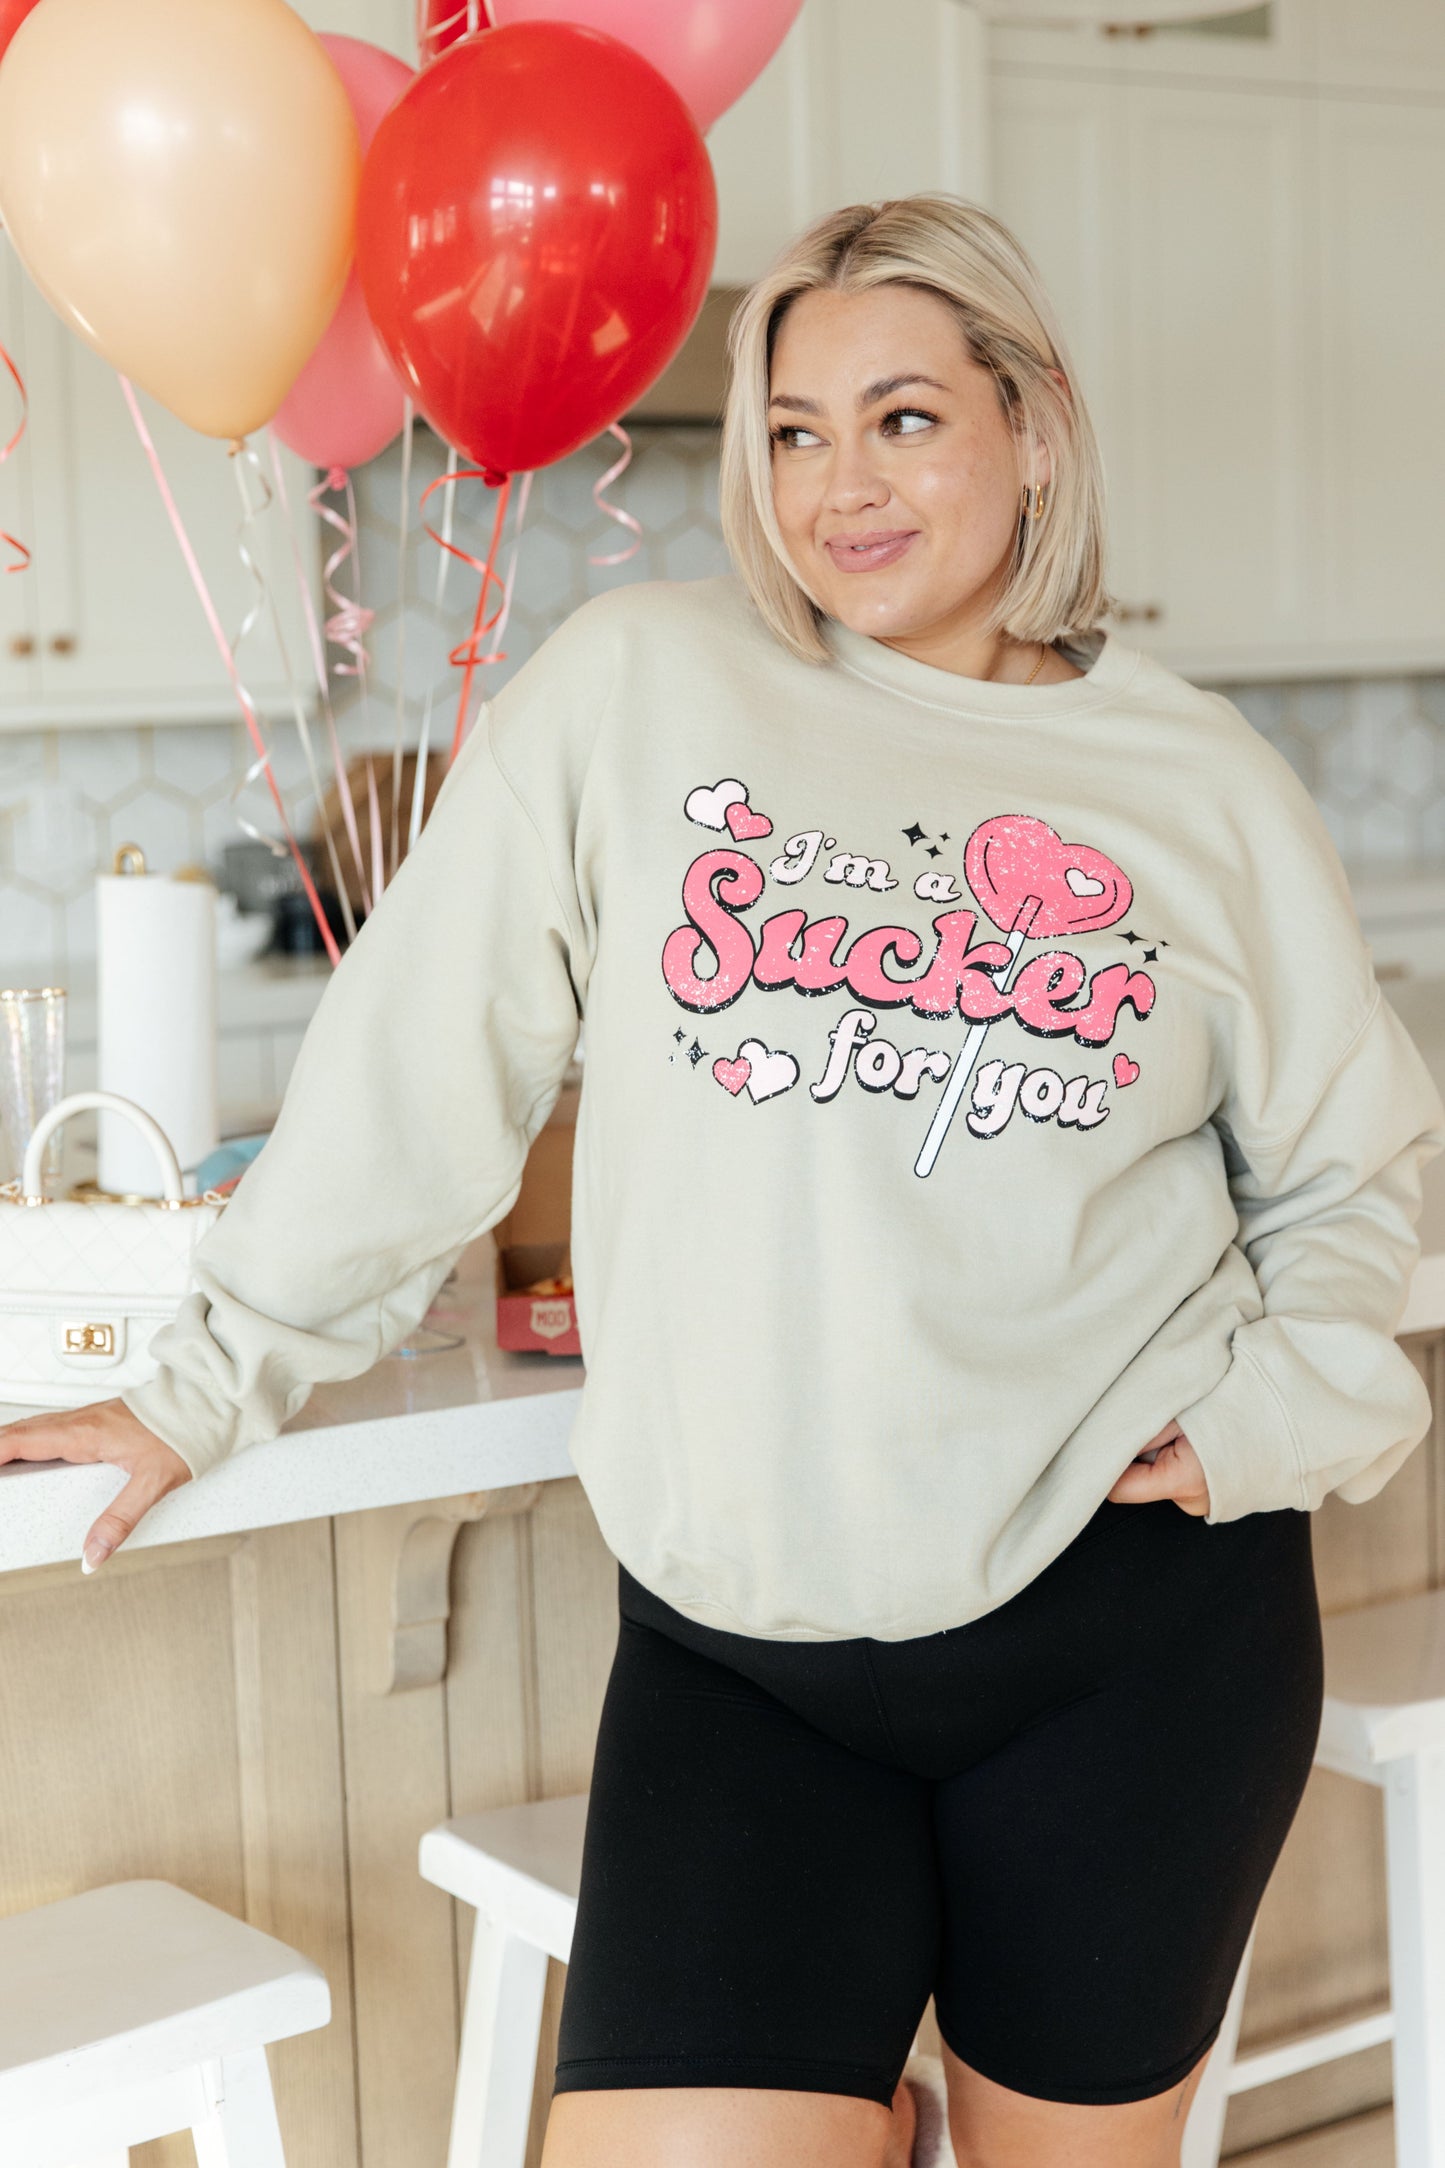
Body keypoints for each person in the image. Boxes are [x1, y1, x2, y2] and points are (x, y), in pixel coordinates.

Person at [2, 194, 1441, 2168]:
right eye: (792, 428)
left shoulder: (1199, 785)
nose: (840, 483)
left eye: (908, 418)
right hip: (742, 1660)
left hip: (1130, 1649)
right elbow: (415, 1069)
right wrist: (197, 1381)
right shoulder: (640, 692)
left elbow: (1356, 1183)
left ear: (1033, 425)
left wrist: (1263, 1413)